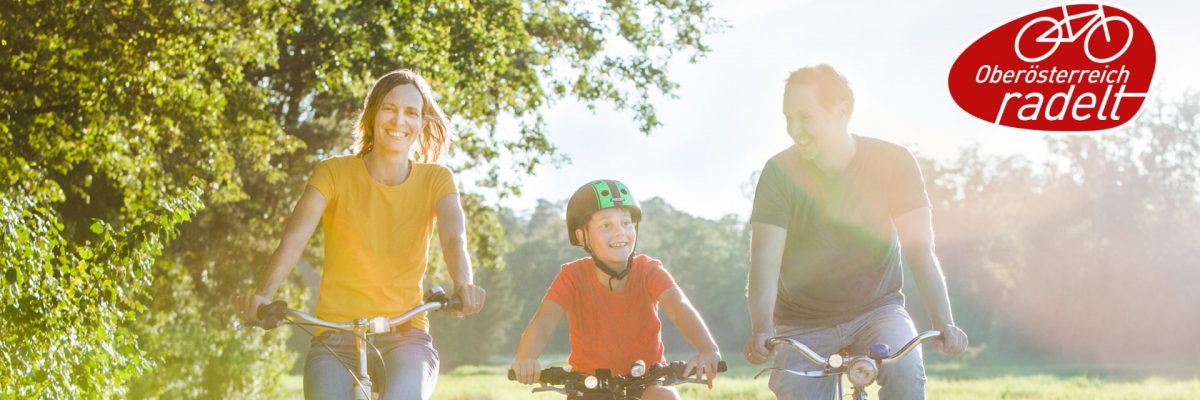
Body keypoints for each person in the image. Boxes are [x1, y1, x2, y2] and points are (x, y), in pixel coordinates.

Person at [234, 69, 486, 400]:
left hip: (405, 336)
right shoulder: (333, 172)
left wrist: (463, 284)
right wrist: (264, 295)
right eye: (389, 109)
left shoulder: (436, 179)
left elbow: (454, 239)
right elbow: (294, 238)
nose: (399, 120)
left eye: (411, 112)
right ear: (371, 115)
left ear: (422, 122)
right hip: (335, 337)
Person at [742, 64, 968, 399]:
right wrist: (762, 328)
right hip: (802, 322)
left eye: (805, 118)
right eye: (788, 118)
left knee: (905, 371)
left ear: (842, 111)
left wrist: (944, 321)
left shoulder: (894, 161)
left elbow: (919, 249)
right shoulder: (779, 172)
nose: (794, 130)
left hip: (878, 311)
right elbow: (764, 260)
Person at [510, 180, 722, 400]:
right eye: (606, 225)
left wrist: (708, 349)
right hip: (588, 386)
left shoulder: (649, 271)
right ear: (582, 236)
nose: (620, 232)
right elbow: (544, 322)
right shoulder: (572, 277)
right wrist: (526, 358)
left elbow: (679, 307)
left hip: (649, 379)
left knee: (664, 397)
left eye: (626, 223)